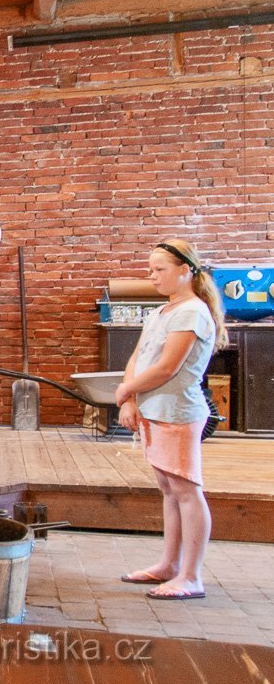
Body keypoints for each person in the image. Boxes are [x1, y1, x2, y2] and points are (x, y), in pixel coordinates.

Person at [114, 238, 227, 600]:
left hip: (177, 411)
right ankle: (169, 565)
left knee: (186, 491)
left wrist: (125, 389)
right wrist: (130, 396)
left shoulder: (192, 312)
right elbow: (139, 356)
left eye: (159, 270)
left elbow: (167, 367)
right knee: (169, 490)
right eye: (151, 270)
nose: (152, 276)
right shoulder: (161, 312)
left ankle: (191, 576)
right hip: (154, 411)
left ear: (185, 271)